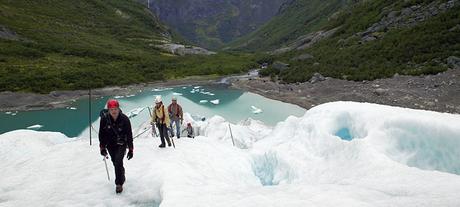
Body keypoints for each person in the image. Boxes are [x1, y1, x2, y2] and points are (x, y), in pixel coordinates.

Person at [98, 99, 134, 194]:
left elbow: (129, 134)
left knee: (118, 161)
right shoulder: (104, 119)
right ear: (108, 110)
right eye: (111, 109)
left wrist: (131, 149)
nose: (114, 111)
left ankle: (119, 184)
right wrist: (102, 147)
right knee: (115, 162)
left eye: (115, 109)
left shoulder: (125, 119)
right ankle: (121, 173)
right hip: (110, 144)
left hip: (121, 144)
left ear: (118, 109)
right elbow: (101, 134)